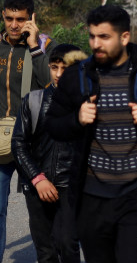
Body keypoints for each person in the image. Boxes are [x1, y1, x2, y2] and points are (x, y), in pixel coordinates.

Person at [46, 5, 137, 262]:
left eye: (104, 37)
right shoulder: (77, 75)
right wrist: (76, 119)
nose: (95, 44)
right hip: (92, 195)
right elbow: (53, 125)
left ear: (124, 37)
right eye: (92, 36)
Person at [11, 44, 84, 263]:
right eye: (54, 67)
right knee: (46, 252)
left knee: (68, 244)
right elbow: (19, 144)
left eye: (66, 68)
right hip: (36, 189)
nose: (59, 74)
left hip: (71, 189)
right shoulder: (32, 101)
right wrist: (37, 178)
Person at [0, 0, 54, 261]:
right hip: (0, 143)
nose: (13, 25)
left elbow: (51, 85)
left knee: (43, 213)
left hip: (32, 146)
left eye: (20, 19)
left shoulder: (45, 46)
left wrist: (35, 47)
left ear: (31, 19)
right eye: (9, 18)